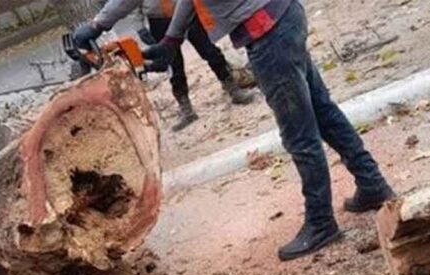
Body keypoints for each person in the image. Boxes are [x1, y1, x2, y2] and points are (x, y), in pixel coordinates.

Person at [130, 0, 395, 261]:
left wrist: (106, 24)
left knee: (298, 133)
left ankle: (321, 221)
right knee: (322, 111)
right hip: (283, 15)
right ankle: (372, 183)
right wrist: (172, 39)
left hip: (268, 31)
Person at [73, 0, 254, 132]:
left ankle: (232, 88)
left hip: (188, 11)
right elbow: (132, 7)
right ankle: (185, 107)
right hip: (159, 18)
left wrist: (99, 24)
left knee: (210, 51)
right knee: (173, 64)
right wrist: (102, 24)